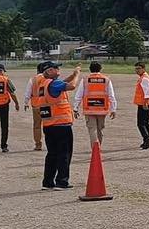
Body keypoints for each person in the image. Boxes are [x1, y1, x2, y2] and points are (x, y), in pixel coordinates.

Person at [32, 60, 80, 188]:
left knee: (52, 154)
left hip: (49, 124)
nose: (58, 70)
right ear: (49, 71)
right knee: (64, 153)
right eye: (56, 68)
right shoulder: (54, 84)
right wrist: (76, 75)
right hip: (61, 124)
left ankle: (48, 181)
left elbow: (63, 82)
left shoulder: (43, 84)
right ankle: (62, 181)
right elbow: (71, 86)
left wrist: (72, 75)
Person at [76, 61, 117, 146]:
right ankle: (99, 148)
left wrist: (75, 108)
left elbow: (79, 95)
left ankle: (95, 149)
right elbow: (111, 96)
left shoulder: (85, 80)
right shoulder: (106, 79)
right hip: (102, 109)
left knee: (92, 130)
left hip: (89, 109)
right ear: (100, 69)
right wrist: (113, 109)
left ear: (90, 69)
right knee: (100, 130)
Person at [132, 62, 149, 149]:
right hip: (146, 103)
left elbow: (148, 92)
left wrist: (145, 103)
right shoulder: (144, 77)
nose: (137, 70)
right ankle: (146, 140)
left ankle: (147, 139)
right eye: (136, 69)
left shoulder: (144, 79)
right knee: (145, 123)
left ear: (143, 69)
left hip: (144, 104)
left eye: (139, 68)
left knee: (140, 123)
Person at [24, 63, 44, 151]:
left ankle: (38, 144)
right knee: (49, 125)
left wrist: (26, 103)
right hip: (47, 105)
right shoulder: (49, 79)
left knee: (37, 126)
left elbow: (28, 93)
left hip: (36, 105)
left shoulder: (33, 79)